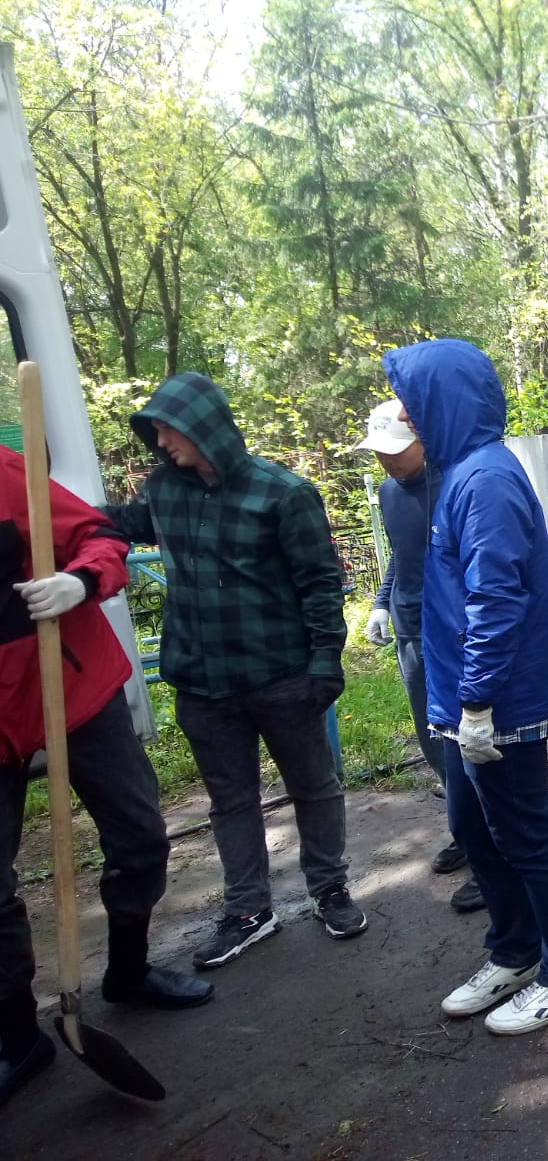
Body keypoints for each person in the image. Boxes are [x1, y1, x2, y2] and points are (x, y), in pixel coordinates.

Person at [101, 373, 365, 969]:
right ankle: (249, 910)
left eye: (168, 429)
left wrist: (325, 663)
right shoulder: (164, 490)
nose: (161, 441)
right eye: (155, 430)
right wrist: (47, 510)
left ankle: (329, 888)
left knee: (314, 786)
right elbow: (121, 522)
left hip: (283, 676)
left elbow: (320, 585)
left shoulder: (283, 494)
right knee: (230, 800)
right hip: (202, 683)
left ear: (202, 427)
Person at [383, 338, 548, 1036]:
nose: (405, 418)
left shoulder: (485, 480)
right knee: (474, 827)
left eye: (412, 404)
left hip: (498, 698)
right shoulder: (458, 474)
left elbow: (496, 598)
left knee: (525, 831)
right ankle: (514, 949)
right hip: (464, 694)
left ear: (442, 401)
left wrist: (477, 700)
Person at [2, 446, 213, 1111]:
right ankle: (17, 1036)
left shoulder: (6, 474)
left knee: (140, 836)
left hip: (73, 685)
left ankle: (127, 970)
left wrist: (80, 581)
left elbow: (101, 536)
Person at [356, 400, 482, 914]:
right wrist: (381, 603)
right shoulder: (389, 493)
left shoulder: (455, 485)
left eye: (396, 450)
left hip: (453, 630)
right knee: (432, 737)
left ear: (422, 441)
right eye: (379, 452)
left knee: (467, 740)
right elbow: (401, 555)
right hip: (410, 628)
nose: (387, 460)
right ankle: (466, 832)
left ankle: (491, 850)